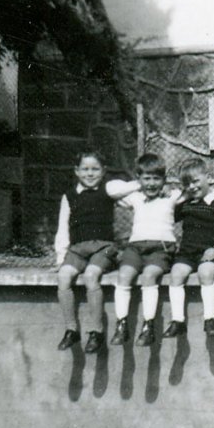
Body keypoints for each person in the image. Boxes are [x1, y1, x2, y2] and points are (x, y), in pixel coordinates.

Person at [54, 151, 139, 354]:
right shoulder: (69, 196)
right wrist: (60, 256)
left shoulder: (108, 189)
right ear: (76, 171)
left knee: (91, 276)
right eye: (85, 169)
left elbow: (128, 188)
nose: (90, 173)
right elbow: (63, 226)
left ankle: (96, 331)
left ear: (103, 171)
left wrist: (143, 183)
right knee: (64, 276)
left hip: (104, 247)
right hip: (78, 249)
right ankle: (71, 329)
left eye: (95, 169)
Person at [112, 152, 181, 347]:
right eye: (147, 178)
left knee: (149, 275)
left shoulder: (170, 197)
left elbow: (192, 190)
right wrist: (137, 185)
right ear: (139, 178)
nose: (151, 184)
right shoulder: (135, 197)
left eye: (156, 179)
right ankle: (121, 324)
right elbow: (111, 191)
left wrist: (169, 188)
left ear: (164, 179)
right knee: (124, 275)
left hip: (161, 249)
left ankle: (148, 326)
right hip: (135, 248)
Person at [165, 158, 214, 339]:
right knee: (176, 274)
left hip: (209, 254)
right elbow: (169, 216)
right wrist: (180, 197)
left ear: (208, 178)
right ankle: (177, 320)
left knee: (205, 273)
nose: (192, 187)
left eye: (195, 181)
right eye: (187, 184)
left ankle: (209, 319)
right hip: (187, 253)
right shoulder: (186, 205)